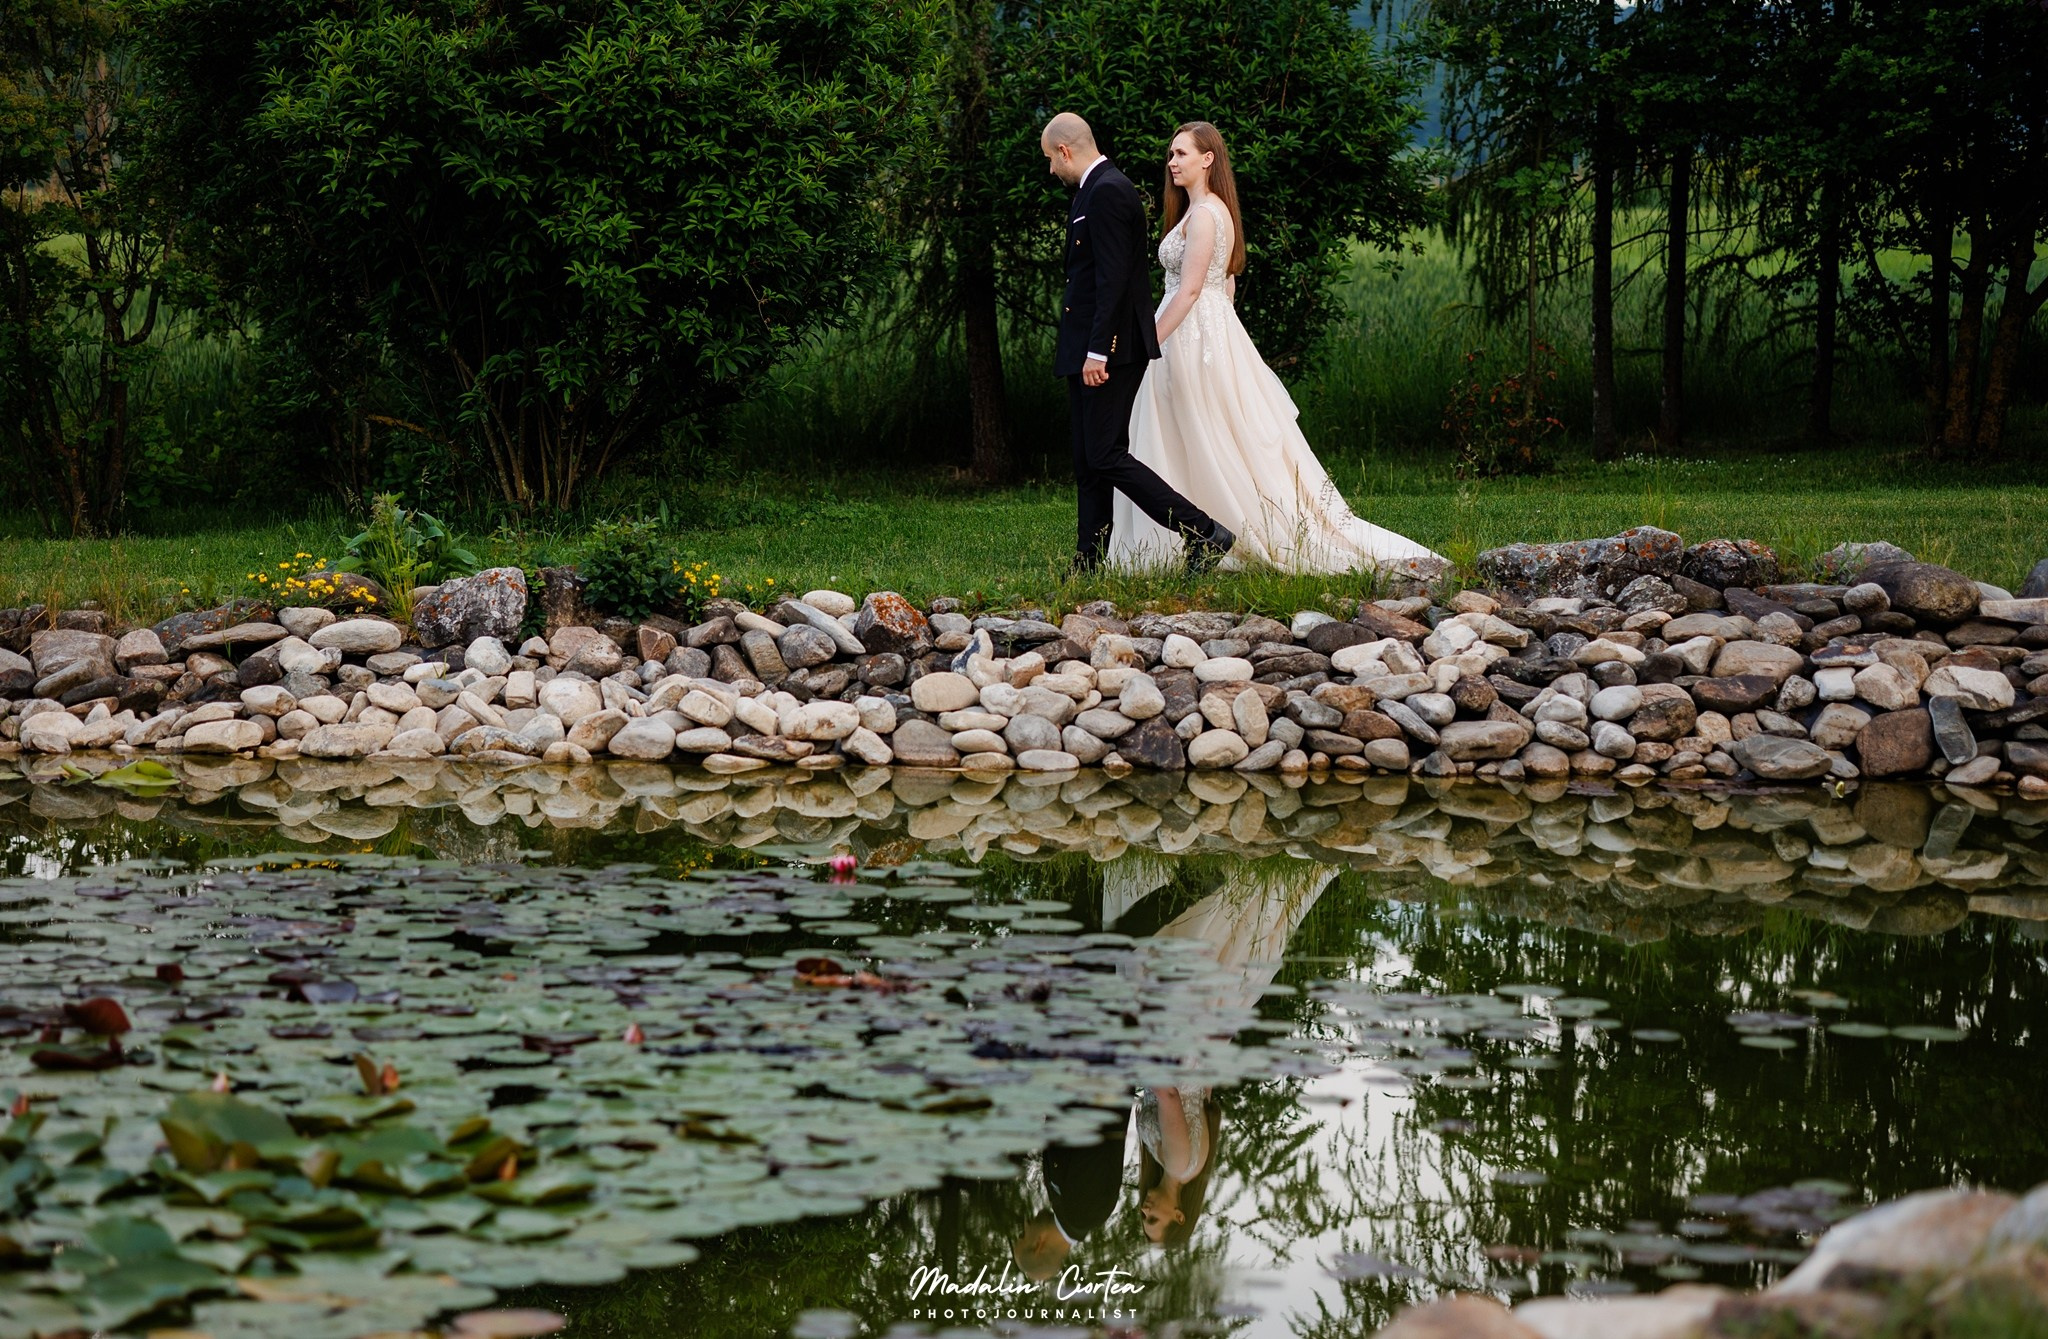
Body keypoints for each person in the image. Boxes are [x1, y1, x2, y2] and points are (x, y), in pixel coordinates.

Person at [1110, 121, 1446, 579]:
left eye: (1181, 154)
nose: (1172, 162)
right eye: (1170, 155)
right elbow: (1224, 283)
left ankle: (1218, 528)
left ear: (1208, 158)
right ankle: (1194, 526)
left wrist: (1147, 344)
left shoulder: (1207, 214)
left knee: (1203, 429)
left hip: (1189, 332)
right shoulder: (1204, 212)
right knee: (1193, 429)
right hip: (1201, 331)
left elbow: (1190, 292)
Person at [1042, 112, 1237, 577]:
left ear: (1065, 151)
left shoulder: (1109, 191)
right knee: (1089, 459)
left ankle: (1205, 531)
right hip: (1087, 346)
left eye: (1050, 159)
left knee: (1106, 455)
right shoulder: (1093, 189)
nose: (1051, 169)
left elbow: (1112, 282)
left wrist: (1098, 350)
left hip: (1106, 349)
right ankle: (1089, 561)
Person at [1012, 1114, 1131, 1281]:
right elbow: (1095, 1132)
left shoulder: (1064, 1209)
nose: (1025, 1224)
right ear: (1038, 1245)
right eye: (1022, 1235)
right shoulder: (1085, 1213)